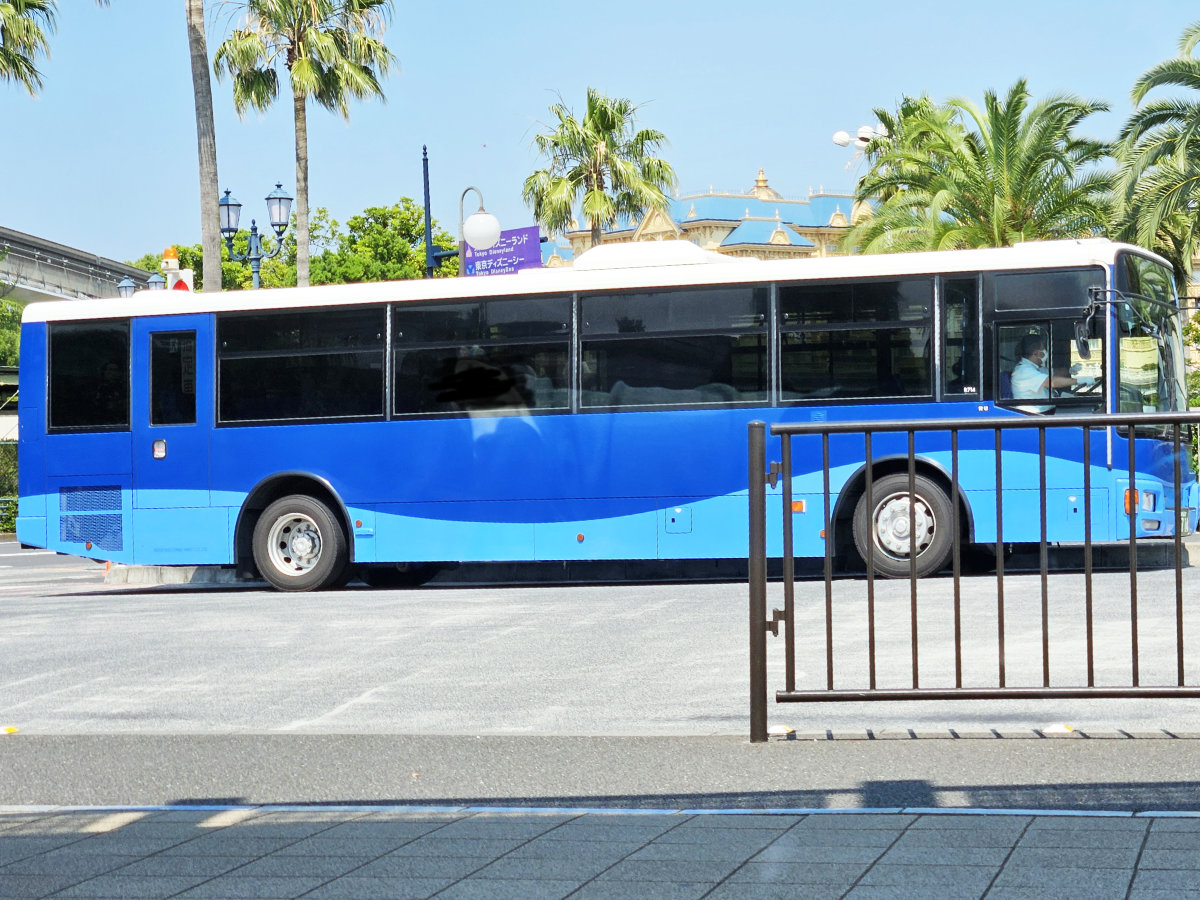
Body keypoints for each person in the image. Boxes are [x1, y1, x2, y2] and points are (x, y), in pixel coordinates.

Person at [1010, 334, 1092, 412]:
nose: (1045, 351)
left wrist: (1070, 370)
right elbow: (1052, 382)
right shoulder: (1023, 371)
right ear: (1036, 354)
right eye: (1043, 349)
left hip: (1047, 412)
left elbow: (1055, 373)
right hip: (1033, 417)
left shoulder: (1035, 368)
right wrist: (1079, 381)